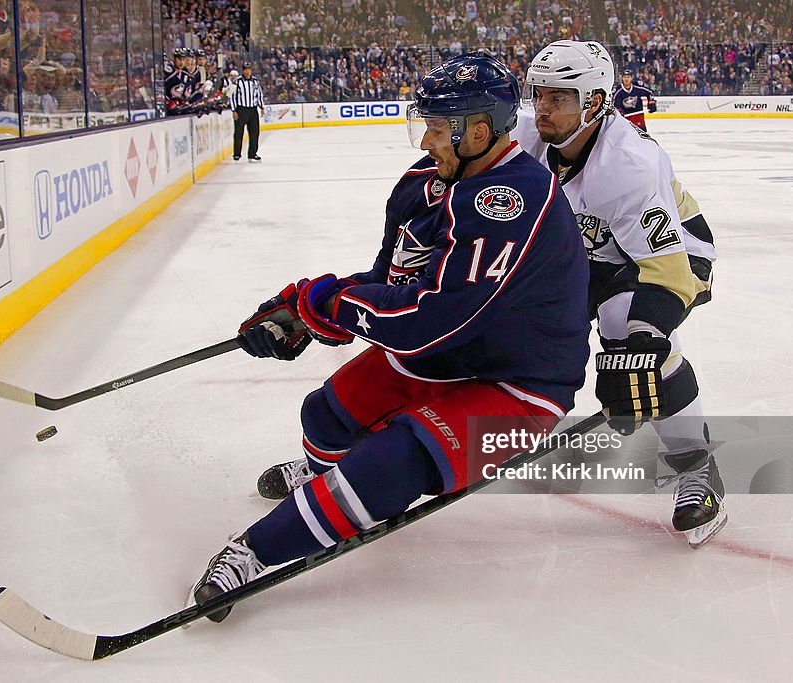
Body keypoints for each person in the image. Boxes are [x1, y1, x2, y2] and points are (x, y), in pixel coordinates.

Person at [186, 52, 591, 622]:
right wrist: (303, 308)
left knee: (390, 463)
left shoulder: (514, 199)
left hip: (522, 385)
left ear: (479, 130)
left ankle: (253, 553)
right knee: (324, 416)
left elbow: (430, 321)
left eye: (437, 127)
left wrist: (326, 302)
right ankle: (322, 486)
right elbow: (390, 282)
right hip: (450, 357)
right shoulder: (427, 182)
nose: (426, 141)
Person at [516, 40, 725, 548]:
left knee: (626, 326)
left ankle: (696, 466)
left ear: (595, 102)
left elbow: (669, 272)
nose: (543, 107)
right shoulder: (527, 133)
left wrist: (642, 345)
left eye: (559, 98)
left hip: (664, 257)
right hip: (583, 256)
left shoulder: (626, 164)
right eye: (539, 94)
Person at [231, 62, 264, 161]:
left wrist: (261, 107)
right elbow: (232, 97)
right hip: (241, 110)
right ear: (243, 70)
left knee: (254, 133)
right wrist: (234, 110)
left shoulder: (255, 81)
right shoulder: (237, 82)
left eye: (249, 69)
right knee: (238, 133)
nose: (247, 71)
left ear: (251, 70)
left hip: (253, 110)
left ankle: (252, 153)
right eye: (245, 69)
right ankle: (237, 154)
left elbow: (259, 94)